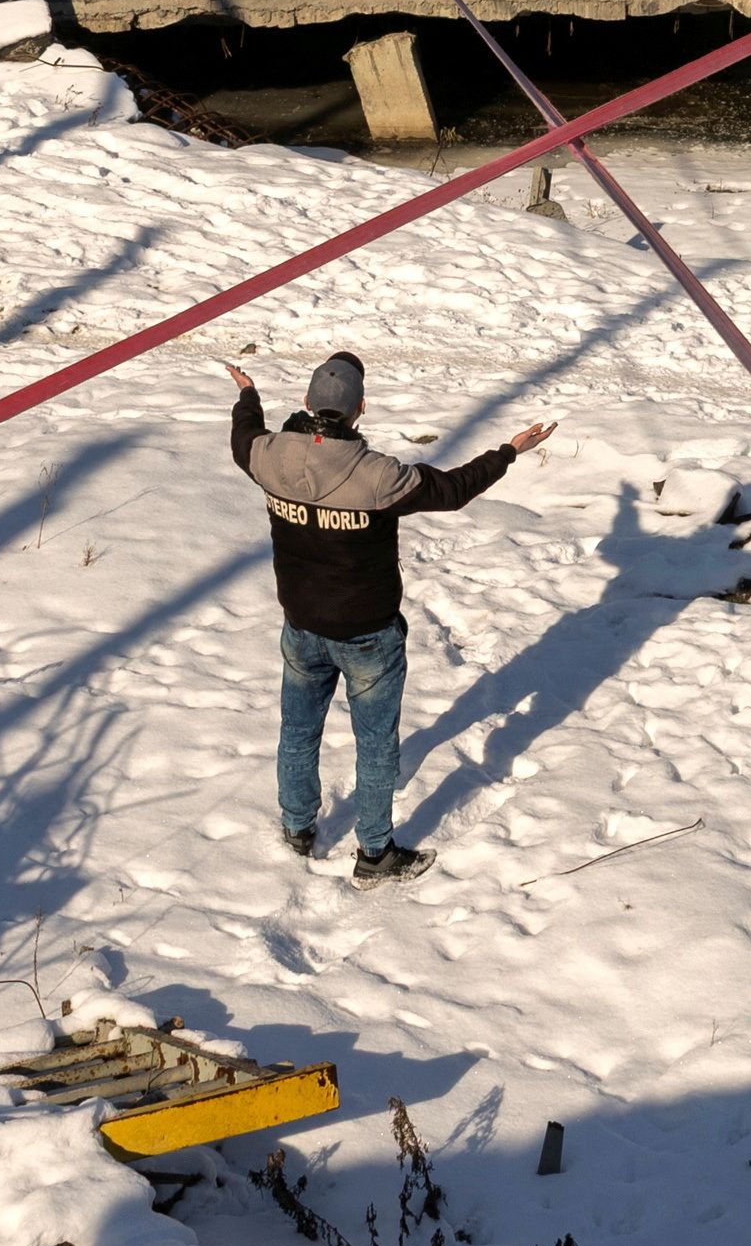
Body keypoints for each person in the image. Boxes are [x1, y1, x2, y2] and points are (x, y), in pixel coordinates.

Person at [229, 350, 551, 884]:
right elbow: (453, 491)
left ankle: (297, 826)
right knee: (375, 745)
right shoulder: (379, 476)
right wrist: (508, 452)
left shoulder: (268, 456)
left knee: (298, 730)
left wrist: (248, 394)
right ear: (361, 410)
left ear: (307, 402)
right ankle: (375, 853)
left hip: (302, 627)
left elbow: (244, 436)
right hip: (368, 637)